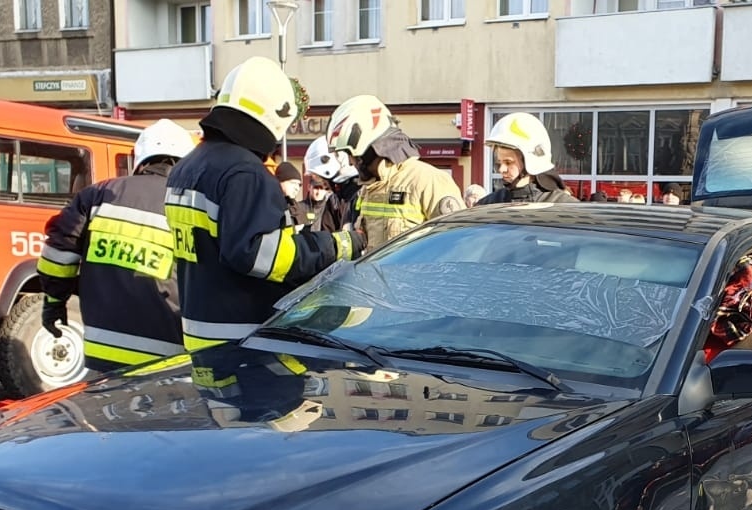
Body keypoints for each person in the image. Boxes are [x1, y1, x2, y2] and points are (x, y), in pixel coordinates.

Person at [164, 57, 359, 352]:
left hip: (199, 331)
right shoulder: (245, 173)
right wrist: (336, 246)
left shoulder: (188, 166)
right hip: (244, 339)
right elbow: (259, 256)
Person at [36, 118, 196, 376]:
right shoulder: (191, 204)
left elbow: (57, 255)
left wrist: (54, 302)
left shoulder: (97, 195)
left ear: (140, 159)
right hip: (172, 359)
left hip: (103, 356)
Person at [325, 93, 465, 251]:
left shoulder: (429, 182)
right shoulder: (370, 188)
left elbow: (457, 245)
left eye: (352, 155)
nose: (351, 162)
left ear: (369, 150)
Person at [478, 113, 576, 205]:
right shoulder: (486, 206)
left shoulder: (564, 207)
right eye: (499, 162)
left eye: (508, 162)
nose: (501, 169)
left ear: (532, 161)